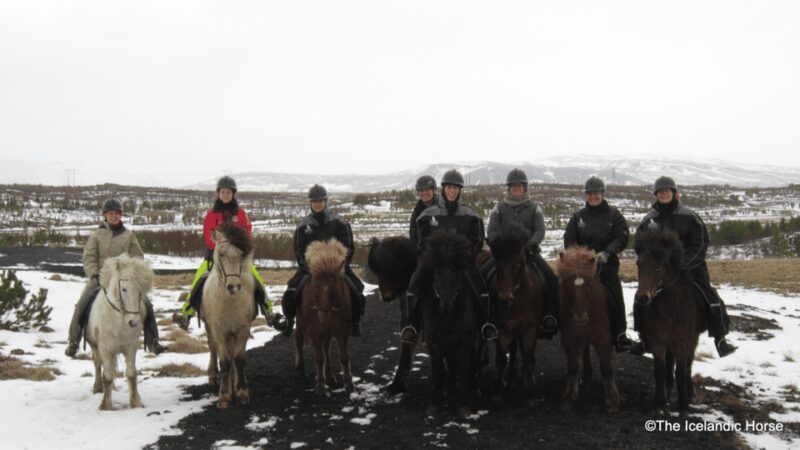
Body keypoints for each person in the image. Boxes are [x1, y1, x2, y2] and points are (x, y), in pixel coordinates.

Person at [632, 176, 737, 357]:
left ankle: (720, 338)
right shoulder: (649, 219)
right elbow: (640, 245)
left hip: (690, 268)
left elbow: (701, 242)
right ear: (656, 195)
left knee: (711, 296)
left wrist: (684, 264)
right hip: (660, 272)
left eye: (666, 191)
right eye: (660, 192)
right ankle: (642, 338)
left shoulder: (689, 216)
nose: (663, 194)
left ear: (675, 193)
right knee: (640, 298)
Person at [400, 169, 498, 343]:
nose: (452, 191)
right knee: (414, 283)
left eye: (455, 188)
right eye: (449, 188)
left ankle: (486, 323)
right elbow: (421, 241)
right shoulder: (427, 215)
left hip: (461, 262)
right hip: (435, 262)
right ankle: (411, 325)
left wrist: (465, 256)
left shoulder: (471, 215)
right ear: (443, 189)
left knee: (480, 286)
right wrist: (432, 256)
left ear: (460, 190)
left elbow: (477, 240)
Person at [65, 198, 166, 357]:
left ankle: (153, 341)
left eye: (117, 213)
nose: (114, 216)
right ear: (105, 215)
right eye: (110, 213)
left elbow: (138, 256)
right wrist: (93, 274)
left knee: (146, 304)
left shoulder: (128, 235)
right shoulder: (97, 235)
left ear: (121, 215)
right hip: (101, 279)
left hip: (124, 280)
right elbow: (89, 257)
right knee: (82, 303)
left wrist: (132, 271)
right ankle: (73, 340)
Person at [172, 176, 274, 330]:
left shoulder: (241, 214)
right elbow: (209, 236)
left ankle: (269, 311)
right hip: (215, 256)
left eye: (228, 192)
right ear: (218, 193)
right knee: (198, 279)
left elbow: (246, 233)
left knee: (256, 278)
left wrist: (235, 248)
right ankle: (187, 314)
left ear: (233, 194)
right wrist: (221, 249)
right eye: (223, 192)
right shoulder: (211, 215)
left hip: (238, 257)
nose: (225, 195)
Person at [275, 184, 366, 337]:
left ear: (325, 201)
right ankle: (290, 321)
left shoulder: (340, 222)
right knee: (291, 291)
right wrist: (309, 268)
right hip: (310, 269)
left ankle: (355, 321)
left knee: (357, 290)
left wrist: (340, 266)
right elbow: (300, 250)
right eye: (314, 201)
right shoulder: (303, 225)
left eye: (320, 201)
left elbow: (348, 247)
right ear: (310, 203)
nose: (317, 204)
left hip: (336, 268)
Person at [563, 176, 634, 351]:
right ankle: (561, 325)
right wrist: (577, 257)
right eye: (589, 194)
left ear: (602, 194)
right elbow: (569, 238)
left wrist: (607, 252)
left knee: (616, 292)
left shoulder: (614, 215)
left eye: (596, 193)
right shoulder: (578, 216)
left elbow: (622, 237)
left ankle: (619, 333)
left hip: (606, 265)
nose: (593, 196)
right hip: (582, 267)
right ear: (586, 195)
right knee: (564, 289)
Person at [486, 168, 559, 338]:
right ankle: (487, 319)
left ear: (525, 187)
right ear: (509, 188)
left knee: (551, 278)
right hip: (504, 255)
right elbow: (492, 230)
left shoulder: (534, 208)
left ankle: (548, 315)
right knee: (483, 276)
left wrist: (531, 245)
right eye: (513, 186)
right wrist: (500, 246)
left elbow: (540, 230)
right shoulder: (499, 208)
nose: (516, 189)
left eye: (519, 186)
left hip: (528, 252)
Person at [409, 175, 440, 244]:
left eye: (427, 189)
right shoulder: (416, 212)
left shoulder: (442, 209)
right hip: (421, 250)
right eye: (421, 190)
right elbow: (413, 237)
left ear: (433, 190)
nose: (424, 193)